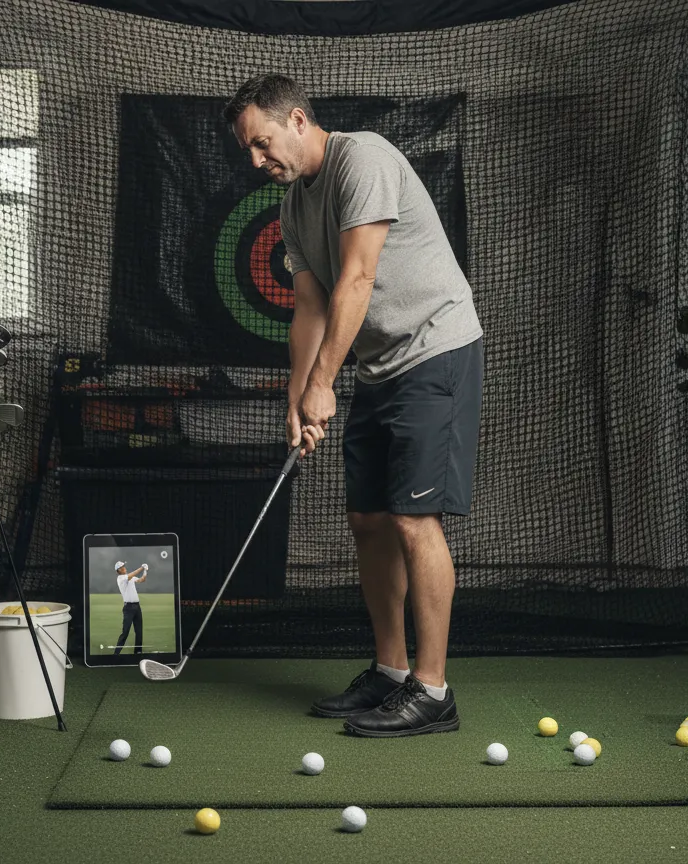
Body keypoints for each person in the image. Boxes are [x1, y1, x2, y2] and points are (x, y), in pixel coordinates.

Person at [223, 74, 484, 737]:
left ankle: (433, 690)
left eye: (262, 143)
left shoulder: (360, 157)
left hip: (434, 351)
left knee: (412, 521)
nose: (257, 161)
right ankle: (391, 672)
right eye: (247, 151)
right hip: (377, 366)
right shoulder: (291, 207)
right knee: (368, 519)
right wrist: (296, 397)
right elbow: (309, 305)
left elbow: (360, 277)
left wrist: (324, 385)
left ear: (299, 120)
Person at [112, 560, 148, 655]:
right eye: (122, 567)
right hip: (128, 608)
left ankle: (138, 652)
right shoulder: (121, 578)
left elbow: (141, 580)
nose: (124, 567)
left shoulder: (130, 577)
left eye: (124, 566)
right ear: (118, 570)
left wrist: (145, 571)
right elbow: (133, 574)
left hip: (137, 607)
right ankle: (116, 653)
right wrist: (141, 567)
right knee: (125, 631)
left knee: (139, 631)